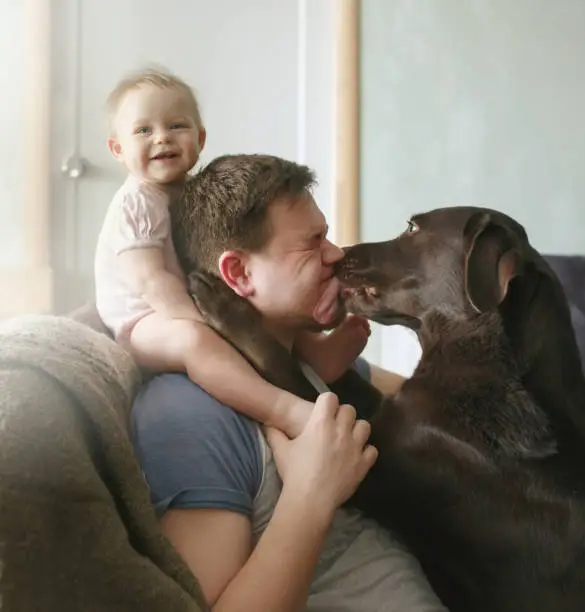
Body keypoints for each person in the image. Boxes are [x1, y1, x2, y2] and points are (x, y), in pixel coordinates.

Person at [131, 154, 447, 611]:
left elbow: (432, 407)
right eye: (312, 243)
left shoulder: (312, 370)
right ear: (239, 274)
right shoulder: (191, 416)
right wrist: (310, 497)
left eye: (327, 234)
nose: (336, 254)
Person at [94, 67, 370, 439]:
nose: (162, 138)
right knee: (197, 343)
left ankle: (314, 360)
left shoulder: (188, 192)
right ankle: (282, 408)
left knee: (272, 312)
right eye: (144, 130)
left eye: (176, 125)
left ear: (201, 138)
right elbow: (149, 280)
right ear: (117, 149)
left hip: (187, 296)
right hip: (142, 317)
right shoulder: (136, 203)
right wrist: (200, 323)